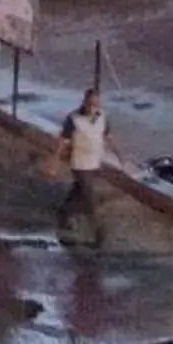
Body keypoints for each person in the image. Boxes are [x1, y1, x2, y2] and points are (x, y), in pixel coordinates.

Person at [56, 85, 108, 244]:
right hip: (80, 163)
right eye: (91, 103)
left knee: (78, 190)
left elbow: (108, 135)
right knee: (88, 195)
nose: (94, 107)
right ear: (85, 102)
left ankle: (64, 213)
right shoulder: (73, 119)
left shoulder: (100, 116)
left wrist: (121, 157)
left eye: (96, 104)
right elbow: (63, 142)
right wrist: (55, 161)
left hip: (94, 162)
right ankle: (97, 231)